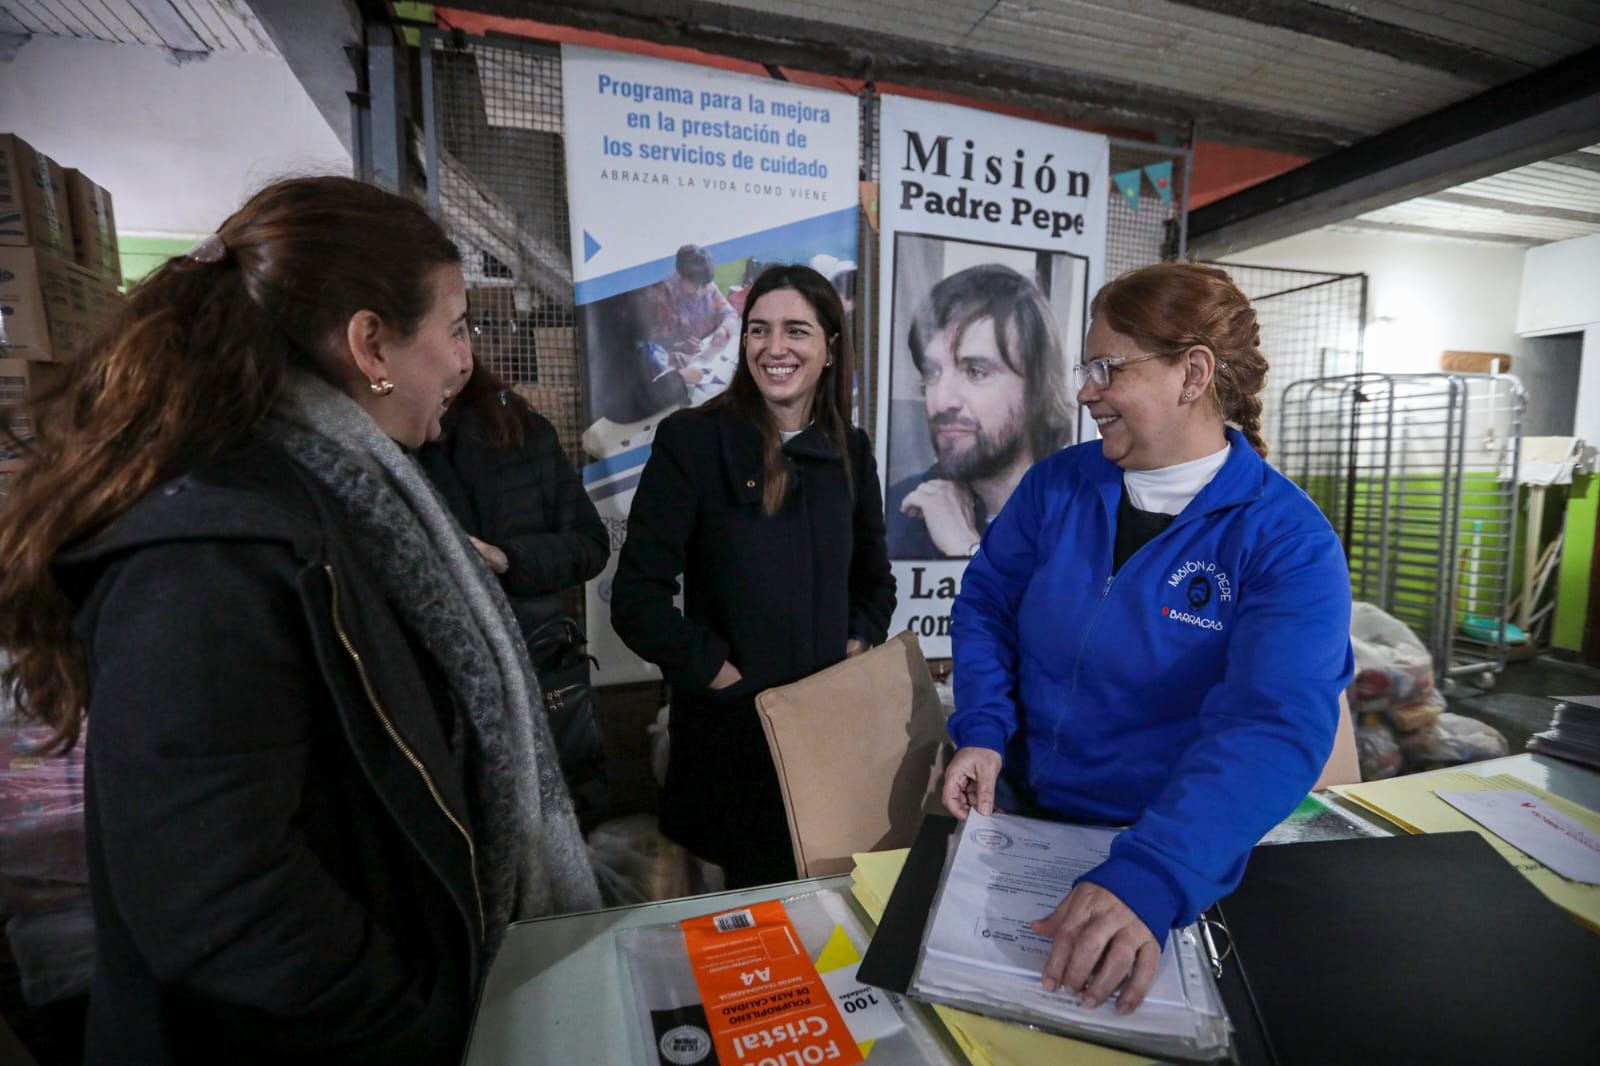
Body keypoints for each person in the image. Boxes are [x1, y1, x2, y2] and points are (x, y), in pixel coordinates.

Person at [0, 176, 600, 1064]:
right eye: (457, 326)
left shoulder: (347, 502)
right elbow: (217, 895)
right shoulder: (215, 541)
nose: (466, 359)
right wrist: (426, 1020)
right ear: (372, 344)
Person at [942, 262, 1352, 1014]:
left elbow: (1271, 726)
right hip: (1024, 824)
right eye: (1086, 369)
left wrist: (1154, 873)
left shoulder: (1286, 542)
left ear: (1192, 373)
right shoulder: (1059, 486)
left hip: (1161, 847)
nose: (1087, 391)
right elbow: (986, 608)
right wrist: (984, 732)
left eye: (1108, 369)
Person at [610, 264, 896, 889]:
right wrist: (718, 673)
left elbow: (875, 581)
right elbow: (636, 600)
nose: (774, 348)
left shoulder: (850, 450)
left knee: (826, 919)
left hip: (825, 738)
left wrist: (857, 639)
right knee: (748, 938)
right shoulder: (694, 440)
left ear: (829, 348)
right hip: (732, 741)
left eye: (796, 330)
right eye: (758, 330)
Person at [419, 360, 611, 821]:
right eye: (449, 332)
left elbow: (590, 545)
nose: (457, 353)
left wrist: (505, 558)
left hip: (539, 674)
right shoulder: (390, 445)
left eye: (463, 332)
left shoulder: (520, 430)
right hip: (441, 692)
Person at [887, 263, 1075, 558]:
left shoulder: (1086, 517)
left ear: (1037, 389)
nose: (943, 400)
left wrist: (966, 548)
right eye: (933, 373)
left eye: (975, 372)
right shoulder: (897, 509)